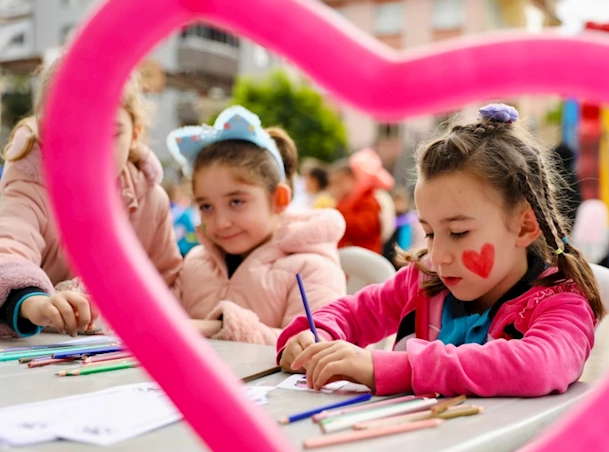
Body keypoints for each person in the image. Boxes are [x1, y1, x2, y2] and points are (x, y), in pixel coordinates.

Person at [276, 103, 603, 397]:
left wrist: (393, 368)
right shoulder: (423, 281)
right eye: (430, 233)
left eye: (458, 233)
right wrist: (312, 335)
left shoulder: (562, 302)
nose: (439, 255)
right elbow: (348, 313)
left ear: (524, 226)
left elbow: (538, 365)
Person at [0, 60, 181, 338]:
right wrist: (35, 303)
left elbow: (167, 286)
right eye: (73, 131)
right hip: (36, 354)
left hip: (123, 360)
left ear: (135, 134)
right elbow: (8, 249)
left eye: (110, 133)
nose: (93, 147)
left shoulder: (151, 200)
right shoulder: (29, 184)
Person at [168, 106, 347, 344]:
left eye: (236, 202)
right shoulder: (194, 262)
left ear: (279, 199)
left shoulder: (313, 268)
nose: (220, 223)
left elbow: (314, 346)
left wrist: (219, 327)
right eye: (206, 207)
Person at [329, 160, 382, 253]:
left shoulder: (367, 199)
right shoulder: (343, 201)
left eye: (339, 182)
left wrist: (337, 215)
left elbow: (362, 227)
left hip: (363, 256)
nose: (336, 187)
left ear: (352, 178)